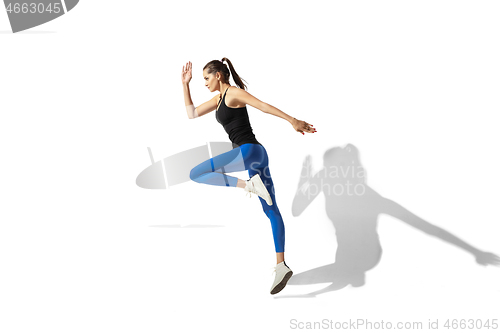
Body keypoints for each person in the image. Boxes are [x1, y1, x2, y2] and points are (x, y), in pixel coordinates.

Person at [181, 58, 316, 294]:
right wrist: (185, 84)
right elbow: (191, 114)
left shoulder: (233, 93)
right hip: (255, 157)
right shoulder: (218, 99)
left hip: (248, 151)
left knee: (197, 172)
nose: (204, 83)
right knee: (271, 210)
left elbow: (262, 105)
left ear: (218, 76)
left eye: (206, 78)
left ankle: (248, 185)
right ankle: (281, 265)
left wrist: (292, 121)